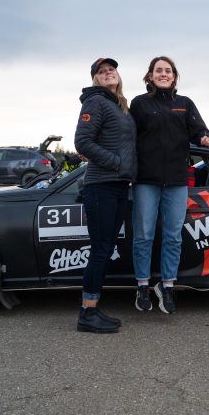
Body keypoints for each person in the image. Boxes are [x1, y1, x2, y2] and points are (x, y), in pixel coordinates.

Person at [130, 56, 209, 314]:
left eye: (168, 71)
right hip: (146, 181)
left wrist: (205, 137)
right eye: (159, 70)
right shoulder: (139, 103)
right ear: (150, 76)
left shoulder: (185, 103)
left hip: (177, 181)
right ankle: (142, 286)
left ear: (174, 76)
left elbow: (202, 131)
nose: (163, 74)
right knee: (143, 236)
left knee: (172, 236)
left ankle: (167, 286)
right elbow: (127, 138)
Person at [74, 57, 137, 333]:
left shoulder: (120, 105)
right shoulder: (95, 101)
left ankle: (92, 308)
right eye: (102, 71)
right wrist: (116, 163)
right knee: (100, 250)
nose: (108, 72)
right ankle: (87, 313)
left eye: (112, 69)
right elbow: (82, 141)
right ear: (96, 79)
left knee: (106, 248)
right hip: (101, 185)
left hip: (119, 185)